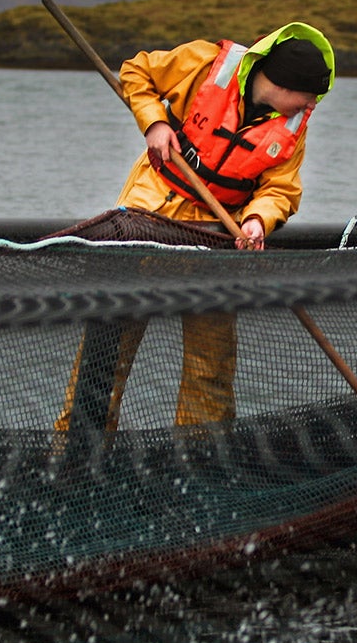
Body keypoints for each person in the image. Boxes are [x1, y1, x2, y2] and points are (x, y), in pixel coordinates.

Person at [56, 23, 335, 439]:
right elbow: (137, 71)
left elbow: (280, 189)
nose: (311, 103)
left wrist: (259, 218)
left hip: (217, 240)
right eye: (308, 93)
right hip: (148, 219)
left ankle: (200, 455)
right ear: (281, 83)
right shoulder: (207, 63)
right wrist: (154, 123)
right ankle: (75, 448)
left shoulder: (293, 125)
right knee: (110, 346)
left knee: (212, 362)